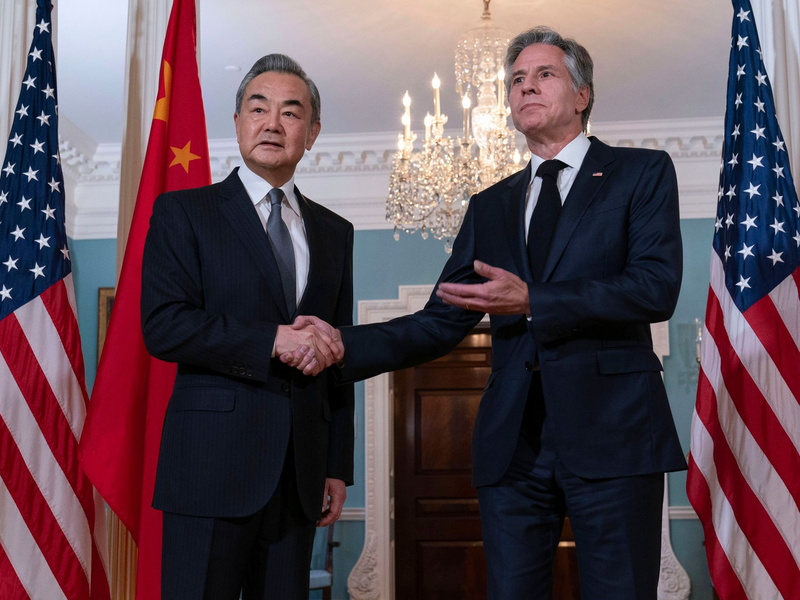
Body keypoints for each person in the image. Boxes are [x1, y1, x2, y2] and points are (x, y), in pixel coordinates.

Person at [284, 26, 686, 599]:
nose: (525, 87)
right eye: (516, 79)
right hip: (513, 449)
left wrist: (533, 301)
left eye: (543, 74)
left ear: (582, 94)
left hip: (616, 438)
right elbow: (440, 319)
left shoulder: (640, 174)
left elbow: (653, 288)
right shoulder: (490, 205)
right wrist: (345, 344)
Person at [140, 53, 352, 599]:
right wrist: (272, 340)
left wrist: (336, 466)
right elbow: (164, 326)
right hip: (208, 466)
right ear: (237, 123)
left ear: (312, 132)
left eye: (291, 112)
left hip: (300, 475)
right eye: (258, 109)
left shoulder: (336, 232)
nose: (273, 123)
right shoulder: (183, 212)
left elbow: (337, 356)